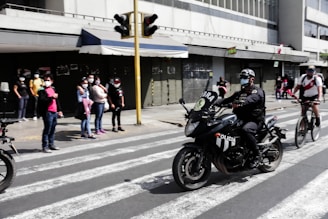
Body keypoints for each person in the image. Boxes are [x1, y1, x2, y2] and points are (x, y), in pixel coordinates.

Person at [217, 68, 265, 168]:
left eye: (245, 77)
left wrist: (238, 103)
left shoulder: (257, 92)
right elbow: (226, 100)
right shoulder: (239, 93)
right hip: (241, 119)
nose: (242, 79)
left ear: (252, 79)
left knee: (245, 130)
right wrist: (212, 102)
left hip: (254, 121)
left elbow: (250, 100)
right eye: (242, 78)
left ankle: (257, 154)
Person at [37, 73, 63, 153]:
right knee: (47, 129)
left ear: (52, 81)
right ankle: (45, 146)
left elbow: (57, 101)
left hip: (54, 111)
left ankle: (51, 144)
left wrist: (60, 110)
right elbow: (42, 101)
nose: (46, 82)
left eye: (48, 80)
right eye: (45, 80)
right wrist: (51, 97)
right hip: (47, 112)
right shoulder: (41, 90)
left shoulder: (53, 89)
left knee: (53, 128)